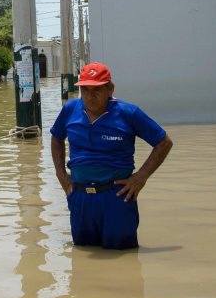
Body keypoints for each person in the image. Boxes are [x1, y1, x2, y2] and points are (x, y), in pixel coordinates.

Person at [50, 62, 174, 250]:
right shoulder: (70, 109)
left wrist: (141, 177)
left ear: (110, 89)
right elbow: (56, 138)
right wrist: (61, 176)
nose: (90, 96)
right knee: (83, 260)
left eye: (97, 90)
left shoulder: (128, 113)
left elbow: (164, 142)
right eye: (85, 90)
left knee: (123, 260)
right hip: (80, 197)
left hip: (116, 197)